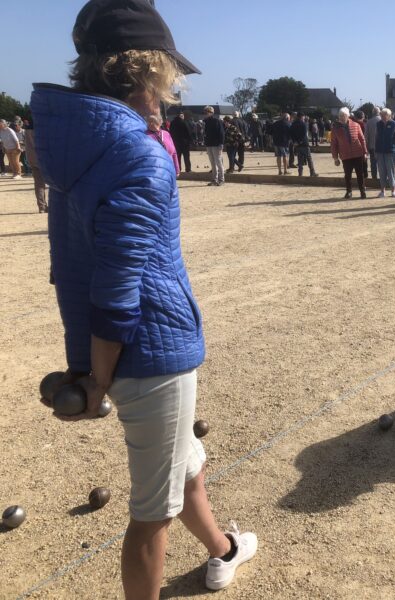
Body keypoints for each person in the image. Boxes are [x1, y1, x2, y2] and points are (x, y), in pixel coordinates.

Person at [30, 1, 257, 597]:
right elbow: (117, 288)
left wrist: (87, 359)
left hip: (110, 348)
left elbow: (79, 267)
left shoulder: (74, 143)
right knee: (151, 512)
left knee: (186, 466)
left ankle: (224, 550)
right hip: (151, 352)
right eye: (167, 75)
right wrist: (98, 378)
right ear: (146, 71)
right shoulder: (137, 153)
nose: (172, 89)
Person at [330, 107, 368, 199]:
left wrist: (365, 152)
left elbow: (362, 139)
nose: (341, 117)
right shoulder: (335, 129)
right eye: (340, 116)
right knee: (347, 175)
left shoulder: (356, 125)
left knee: (360, 174)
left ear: (348, 116)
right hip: (345, 154)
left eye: (343, 115)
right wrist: (335, 158)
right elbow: (333, 144)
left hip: (357, 153)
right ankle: (349, 191)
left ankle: (362, 191)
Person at [374, 107, 395, 198]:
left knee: (391, 172)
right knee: (381, 172)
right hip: (380, 151)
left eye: (385, 115)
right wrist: (375, 151)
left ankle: (393, 191)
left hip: (391, 151)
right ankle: (382, 191)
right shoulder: (378, 124)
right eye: (382, 115)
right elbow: (376, 138)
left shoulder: (394, 124)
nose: (383, 116)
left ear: (389, 115)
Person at [23, 122, 48, 212]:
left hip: (33, 159)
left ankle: (42, 206)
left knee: (39, 184)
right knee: (55, 184)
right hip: (45, 159)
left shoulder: (26, 131)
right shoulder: (42, 128)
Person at [289, 112, 317, 177]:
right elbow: (304, 134)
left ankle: (300, 174)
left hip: (297, 145)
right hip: (304, 143)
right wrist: (300, 141)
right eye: (304, 117)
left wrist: (295, 142)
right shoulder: (303, 124)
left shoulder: (293, 124)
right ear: (302, 117)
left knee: (300, 160)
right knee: (309, 158)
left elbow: (291, 134)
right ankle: (312, 172)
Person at [202, 106, 225, 186]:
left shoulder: (217, 121)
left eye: (207, 112)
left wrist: (221, 144)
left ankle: (221, 179)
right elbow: (205, 134)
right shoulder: (205, 122)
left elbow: (221, 133)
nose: (205, 114)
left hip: (216, 144)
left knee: (218, 162)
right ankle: (214, 179)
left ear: (211, 112)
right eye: (205, 112)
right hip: (209, 144)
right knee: (212, 163)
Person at [365, 106, 381, 180]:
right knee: (382, 163)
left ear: (372, 113)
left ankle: (374, 177)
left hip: (372, 146)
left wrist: (366, 147)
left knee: (373, 163)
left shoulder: (369, 122)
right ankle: (382, 177)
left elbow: (366, 136)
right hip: (382, 146)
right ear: (379, 112)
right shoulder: (383, 120)